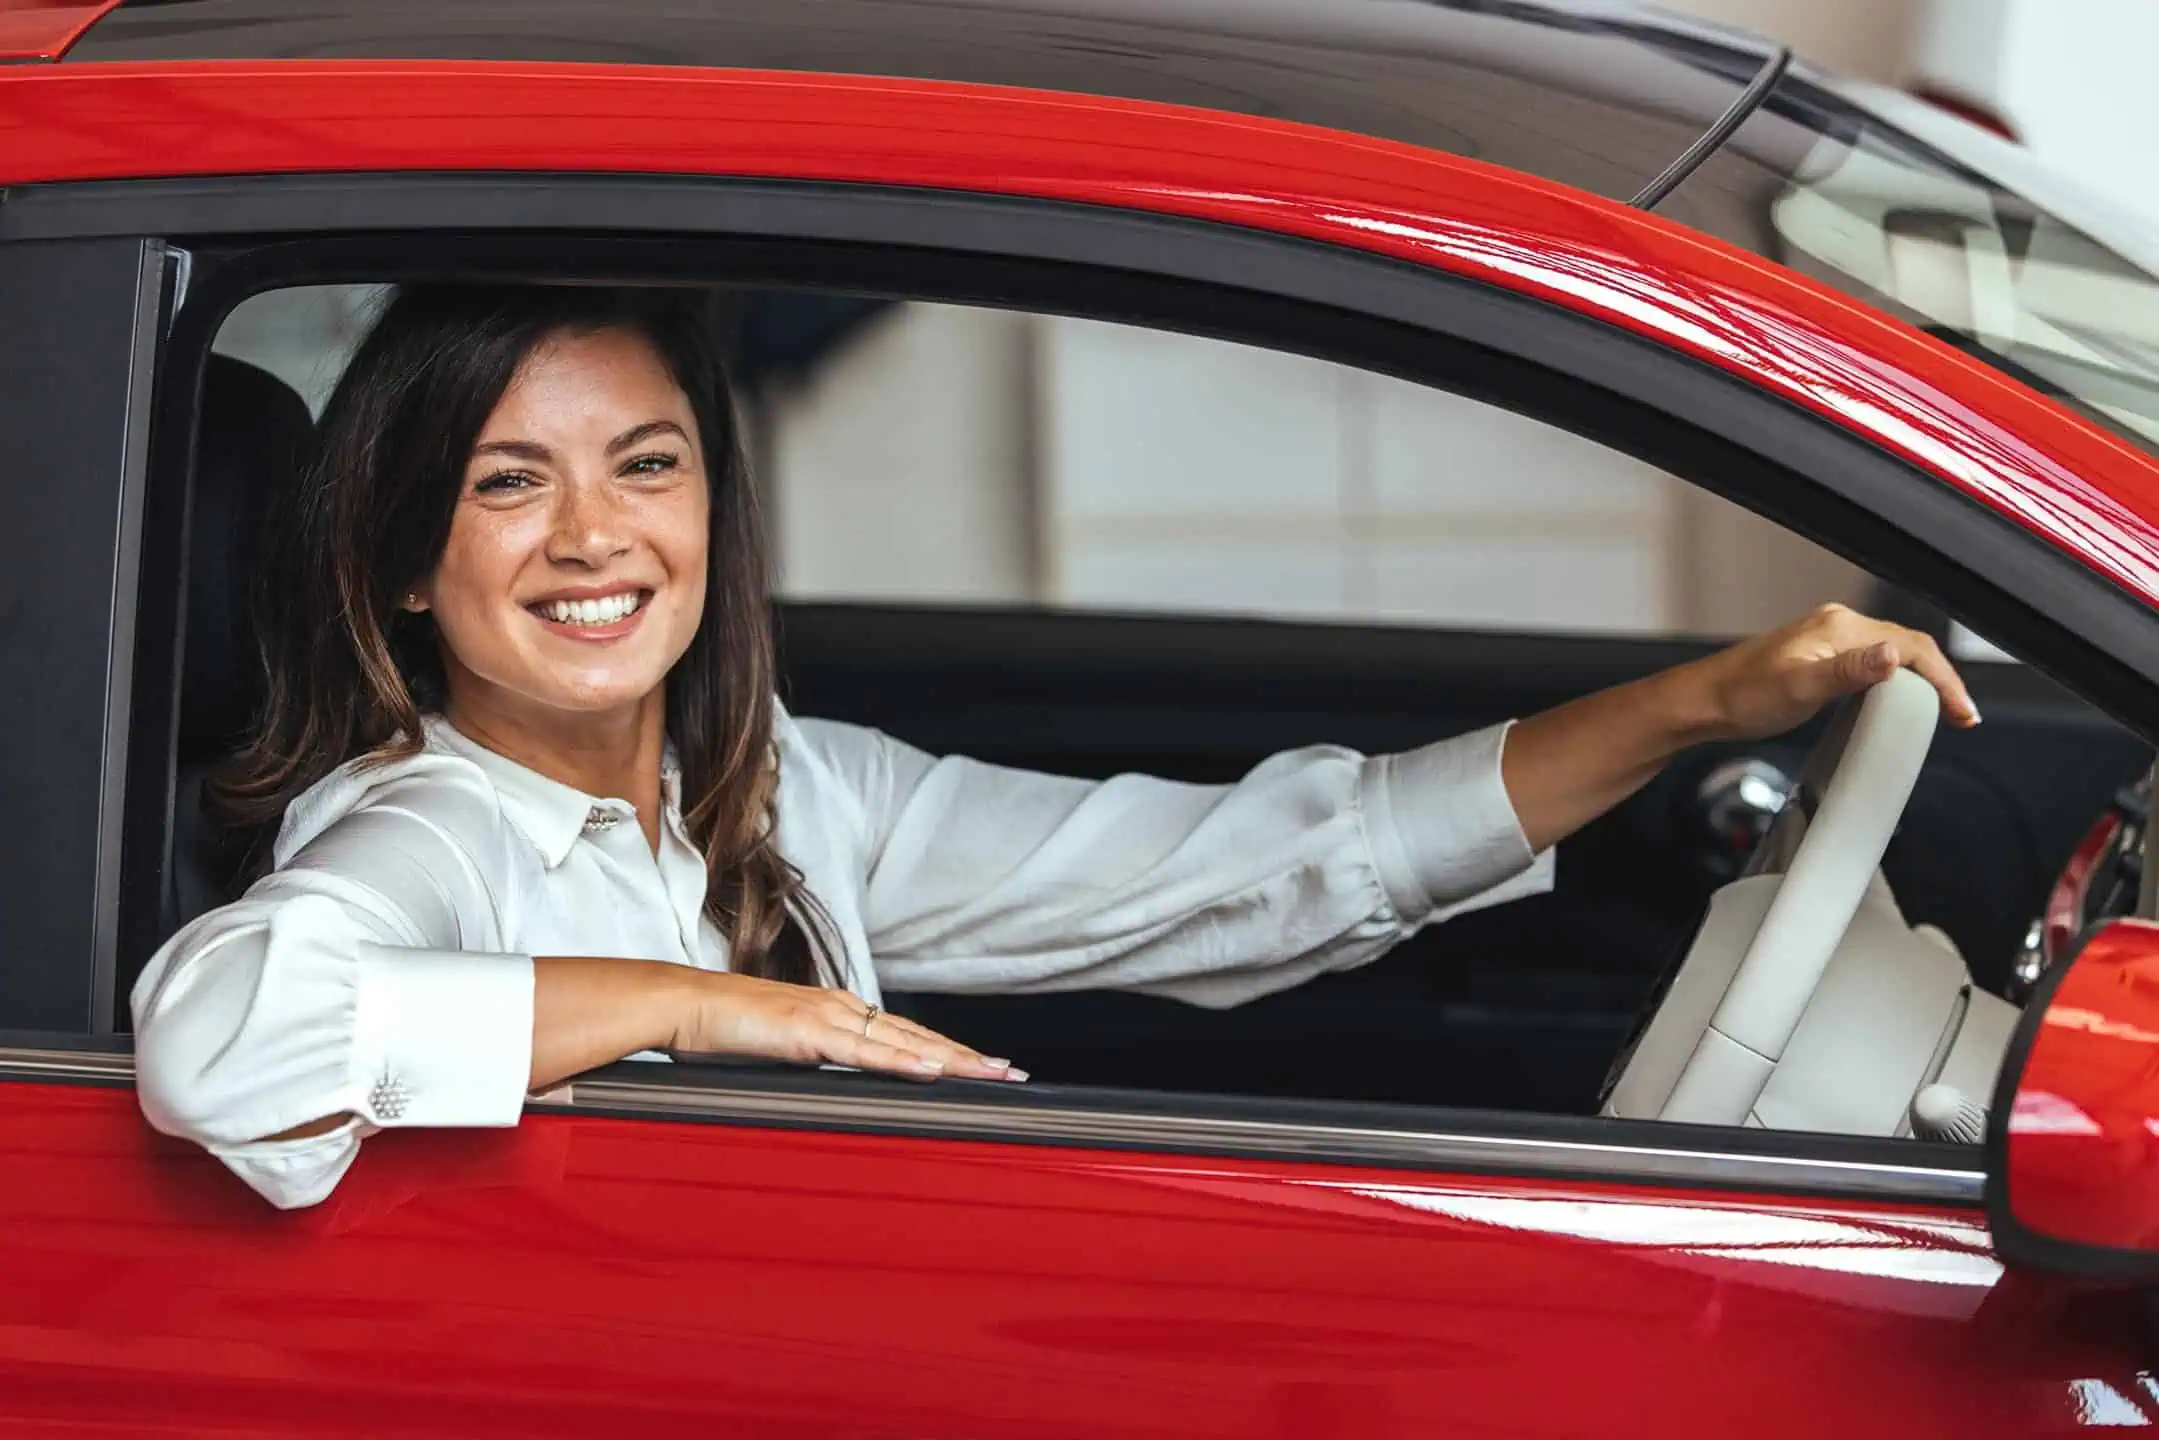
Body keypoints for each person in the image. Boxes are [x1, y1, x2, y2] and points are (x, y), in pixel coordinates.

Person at [133, 286, 1979, 1210]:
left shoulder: (768, 787)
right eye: (504, 487)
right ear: (394, 563)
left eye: (647, 464)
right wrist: (694, 1006)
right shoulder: (423, 831)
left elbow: (1240, 875)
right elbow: (221, 1038)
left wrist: (1693, 707)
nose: (595, 538)